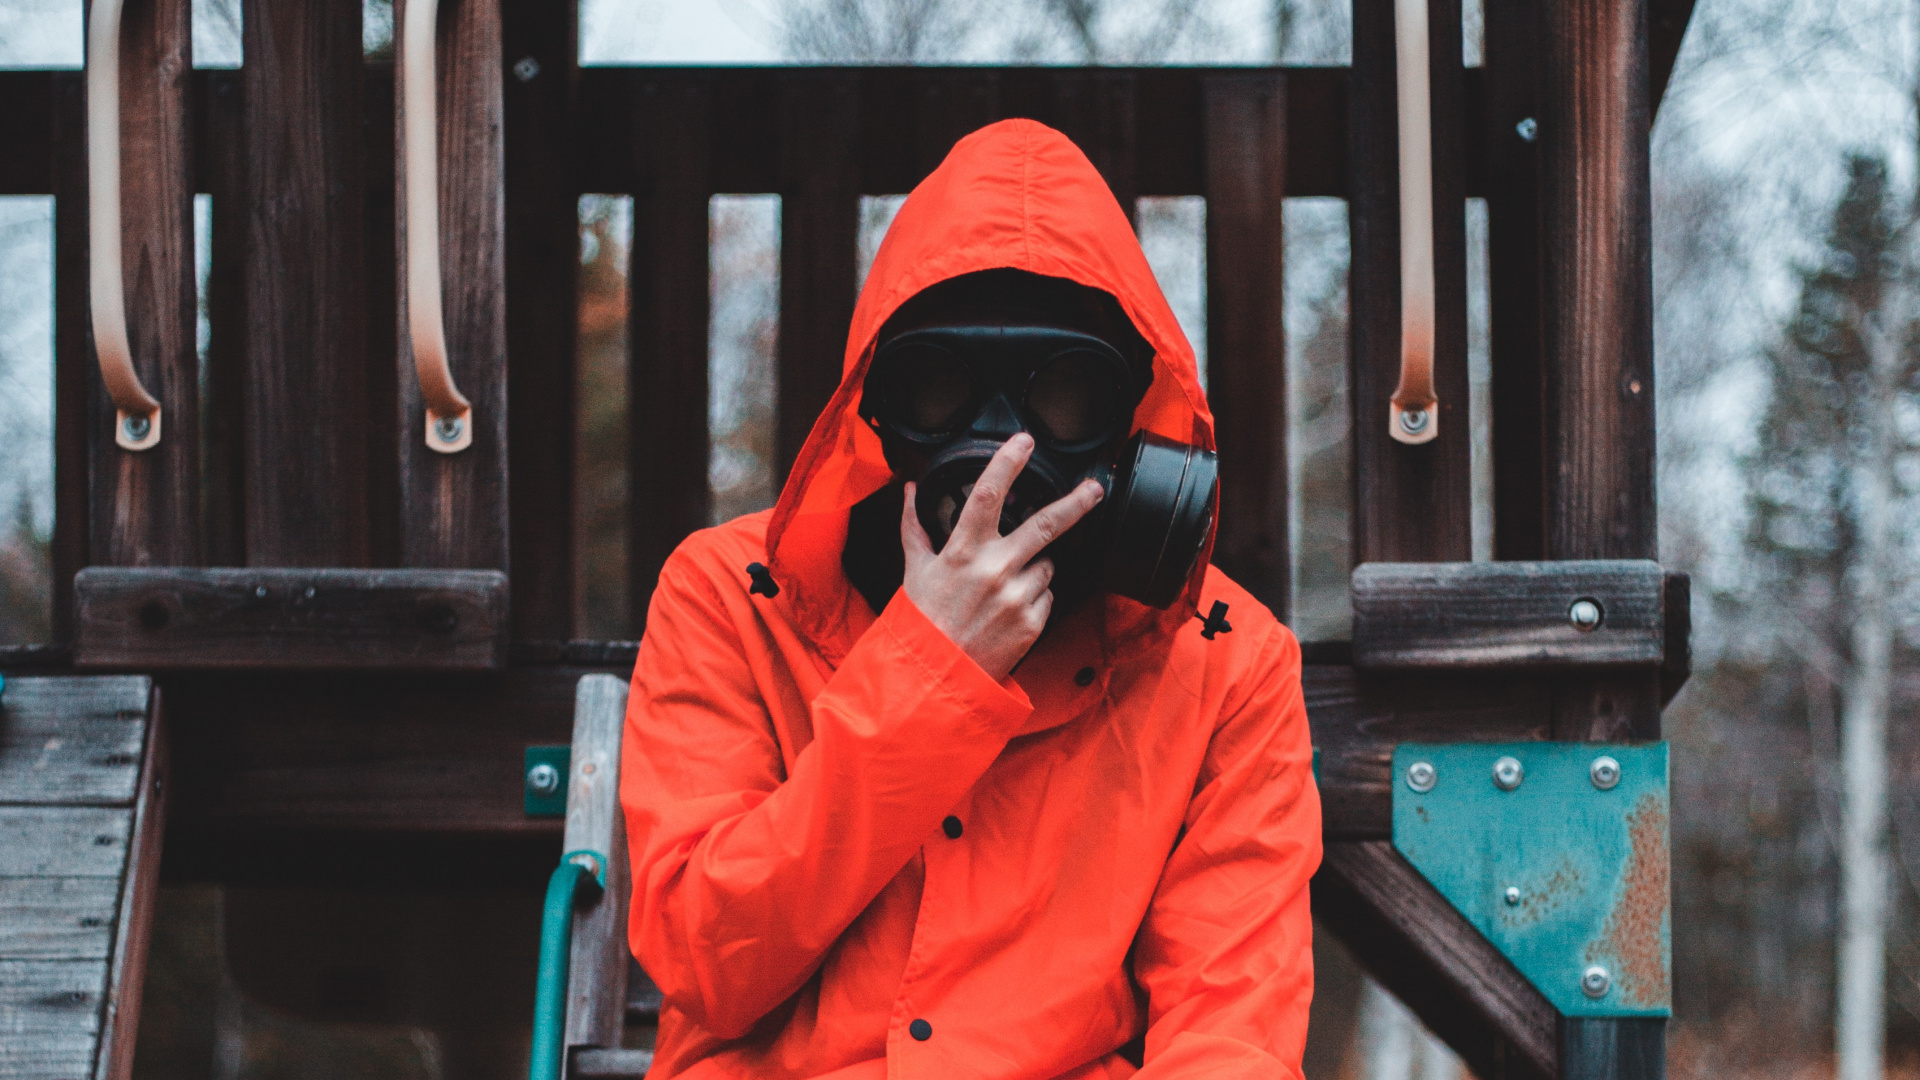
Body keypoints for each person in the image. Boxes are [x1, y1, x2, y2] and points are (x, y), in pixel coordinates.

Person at [620, 118, 1320, 1079]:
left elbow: (1230, 1029)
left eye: (1065, 396)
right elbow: (708, 960)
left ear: (1132, 429)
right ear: (871, 409)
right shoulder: (735, 596)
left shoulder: (1223, 658)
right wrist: (927, 667)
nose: (1000, 448)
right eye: (938, 389)